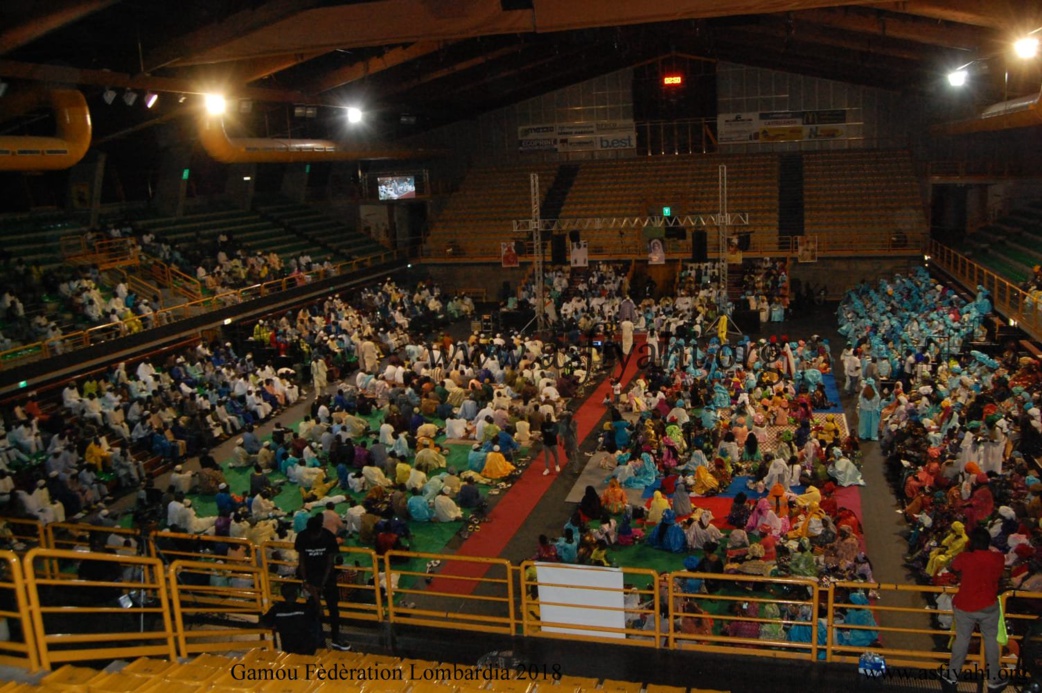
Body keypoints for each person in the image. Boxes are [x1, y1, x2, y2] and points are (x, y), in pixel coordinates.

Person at [941, 527, 1007, 692]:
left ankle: (952, 677)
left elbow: (952, 567)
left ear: (972, 543)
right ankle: (994, 680)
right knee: (991, 640)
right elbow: (998, 558)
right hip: (989, 607)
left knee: (962, 639)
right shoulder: (997, 558)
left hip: (965, 605)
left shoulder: (965, 558)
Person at [294, 515, 349, 650]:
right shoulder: (302, 537)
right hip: (311, 577)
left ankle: (335, 638)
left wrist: (322, 584)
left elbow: (330, 562)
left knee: (333, 609)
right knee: (312, 609)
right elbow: (301, 561)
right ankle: (314, 637)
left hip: (327, 578)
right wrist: (306, 581)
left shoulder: (328, 537)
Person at [262, 582, 324, 655]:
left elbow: (263, 623)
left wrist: (278, 626)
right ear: (296, 594)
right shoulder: (303, 608)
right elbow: (320, 614)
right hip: (307, 650)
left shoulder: (277, 609)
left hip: (289, 651)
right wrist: (315, 595)